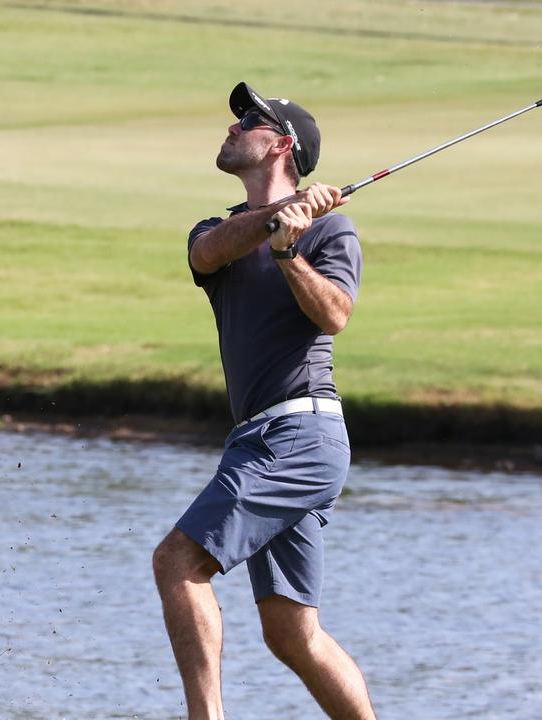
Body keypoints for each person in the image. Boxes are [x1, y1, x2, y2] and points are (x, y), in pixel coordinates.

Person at [151, 82, 375, 720]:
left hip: (300, 435)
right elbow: (209, 251)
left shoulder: (331, 229)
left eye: (248, 120)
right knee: (290, 633)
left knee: (177, 561)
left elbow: (333, 315)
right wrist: (278, 221)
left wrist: (288, 252)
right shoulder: (219, 230)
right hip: (255, 440)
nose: (232, 126)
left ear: (281, 144)